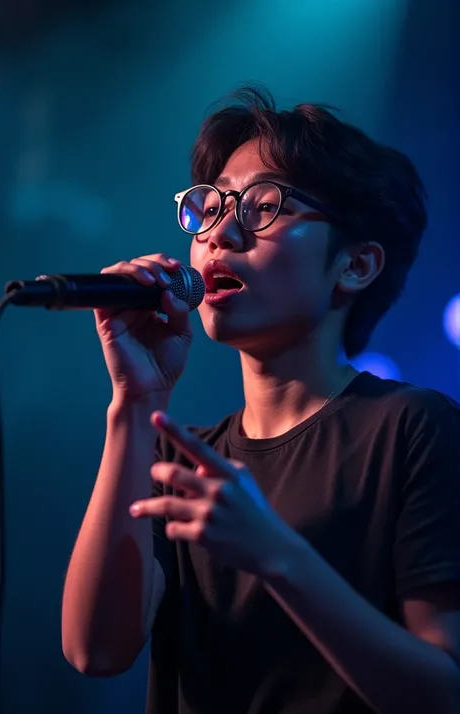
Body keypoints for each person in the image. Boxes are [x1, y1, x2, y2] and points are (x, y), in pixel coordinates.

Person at [61, 87, 460, 714]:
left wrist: (275, 555)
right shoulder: (178, 456)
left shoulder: (411, 429)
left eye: (264, 205)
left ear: (355, 266)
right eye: (210, 205)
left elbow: (443, 693)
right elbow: (95, 651)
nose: (221, 230)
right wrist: (135, 399)